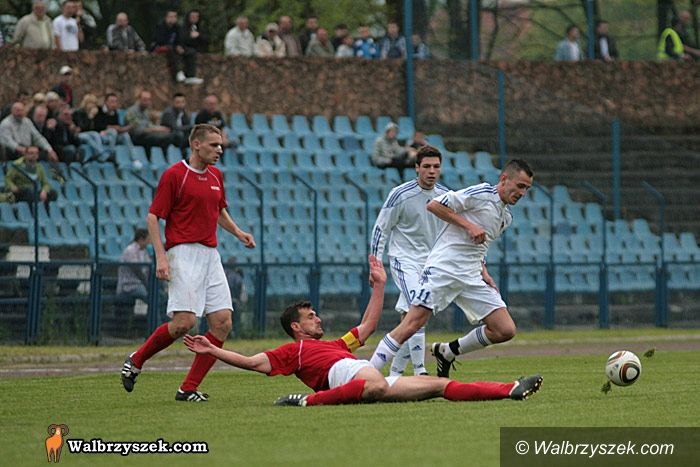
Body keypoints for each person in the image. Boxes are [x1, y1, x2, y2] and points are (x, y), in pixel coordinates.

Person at [184, 255, 542, 406]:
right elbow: (251, 362)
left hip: (363, 375)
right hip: (347, 377)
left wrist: (380, 285)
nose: (317, 319)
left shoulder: (337, 344)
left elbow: (368, 326)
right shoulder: (294, 351)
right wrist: (212, 349)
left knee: (438, 386)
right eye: (310, 317)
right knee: (375, 383)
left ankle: (508, 389)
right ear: (296, 327)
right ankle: (308, 402)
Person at [120, 124, 256, 402]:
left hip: (210, 255)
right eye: (214, 145)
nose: (220, 150)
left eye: (220, 145)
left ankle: (188, 388)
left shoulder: (216, 175)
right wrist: (161, 256)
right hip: (182, 253)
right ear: (196, 145)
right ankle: (136, 359)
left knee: (222, 323)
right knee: (184, 323)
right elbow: (152, 217)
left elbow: (219, 210)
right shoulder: (175, 175)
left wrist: (238, 232)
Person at [369, 160, 534, 380]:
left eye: (527, 189)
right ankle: (366, 374)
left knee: (505, 329)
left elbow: (479, 245)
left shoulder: (506, 217)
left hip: (471, 276)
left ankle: (447, 352)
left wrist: (484, 271)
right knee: (412, 324)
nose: (522, 193)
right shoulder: (482, 194)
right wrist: (469, 225)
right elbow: (434, 205)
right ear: (504, 179)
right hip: (443, 270)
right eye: (520, 186)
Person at [371, 146, 448, 377]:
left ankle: (395, 374)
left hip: (430, 264)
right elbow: (381, 228)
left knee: (410, 318)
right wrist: (375, 263)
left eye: (436, 167)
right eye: (426, 166)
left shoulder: (446, 196)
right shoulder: (400, 194)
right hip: (404, 259)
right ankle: (420, 371)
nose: (431, 171)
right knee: (419, 306)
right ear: (416, 168)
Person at [125, 90, 180, 155]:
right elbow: (137, 130)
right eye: (144, 99)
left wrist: (160, 128)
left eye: (149, 99)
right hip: (137, 138)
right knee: (165, 138)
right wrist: (155, 129)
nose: (147, 102)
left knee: (173, 135)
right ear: (139, 99)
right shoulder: (131, 111)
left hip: (148, 135)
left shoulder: (145, 112)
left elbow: (149, 125)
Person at [152, 10, 191, 84]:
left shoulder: (177, 28)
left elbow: (180, 40)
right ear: (166, 17)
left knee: (189, 51)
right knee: (171, 50)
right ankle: (178, 71)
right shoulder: (160, 26)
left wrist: (179, 46)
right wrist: (174, 46)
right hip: (160, 47)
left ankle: (189, 74)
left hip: (173, 47)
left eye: (174, 17)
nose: (172, 18)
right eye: (170, 17)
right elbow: (159, 40)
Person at [117, 228, 151, 301]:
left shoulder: (144, 251)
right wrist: (147, 284)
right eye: (148, 240)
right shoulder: (131, 250)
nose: (149, 242)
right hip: (129, 285)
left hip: (140, 283)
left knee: (159, 293)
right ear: (141, 240)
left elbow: (149, 266)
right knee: (150, 296)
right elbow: (137, 270)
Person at [179, 10, 207, 84]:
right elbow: (181, 39)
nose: (194, 18)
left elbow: (206, 39)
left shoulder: (200, 28)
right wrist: (190, 36)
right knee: (191, 53)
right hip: (186, 48)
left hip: (198, 48)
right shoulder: (183, 27)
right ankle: (190, 75)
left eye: (196, 17)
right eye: (192, 16)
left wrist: (199, 36)